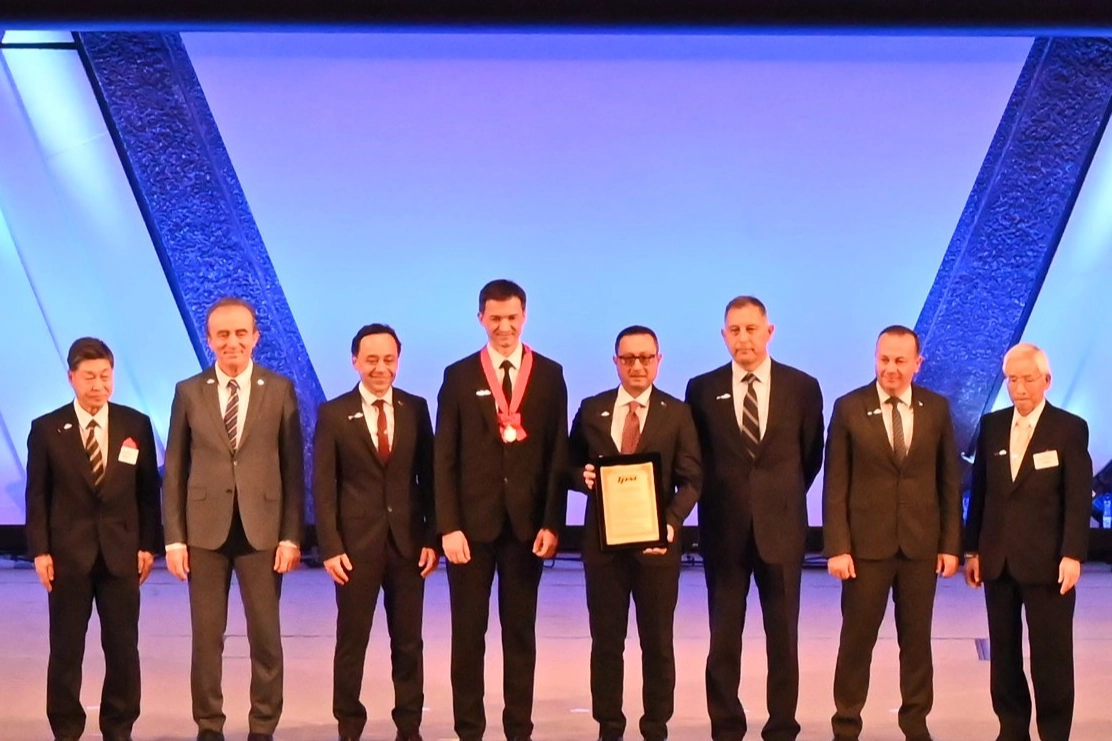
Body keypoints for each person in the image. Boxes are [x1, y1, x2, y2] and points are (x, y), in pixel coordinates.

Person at [163, 297, 304, 741]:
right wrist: (174, 539)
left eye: (241, 333)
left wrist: (291, 536)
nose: (232, 342)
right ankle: (209, 725)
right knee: (207, 639)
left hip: (263, 531)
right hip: (204, 533)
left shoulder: (279, 389)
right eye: (222, 334)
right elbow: (175, 467)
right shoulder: (189, 391)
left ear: (255, 337)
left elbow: (292, 469)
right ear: (209, 339)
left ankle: (263, 726)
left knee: (266, 638)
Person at [435, 279, 568, 741]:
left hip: (526, 529)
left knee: (520, 636)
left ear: (524, 316)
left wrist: (553, 522)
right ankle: (469, 730)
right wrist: (448, 526)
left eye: (512, 318)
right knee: (468, 637)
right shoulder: (459, 375)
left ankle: (518, 730)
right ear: (481, 319)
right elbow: (444, 456)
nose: (504, 327)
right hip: (470, 531)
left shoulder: (549, 374)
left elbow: (556, 455)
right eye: (495, 318)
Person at [685, 296, 823, 741]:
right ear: (723, 335)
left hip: (781, 531)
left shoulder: (802, 387)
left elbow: (810, 457)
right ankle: (726, 725)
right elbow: (696, 458)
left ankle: (782, 726)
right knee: (723, 638)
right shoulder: (701, 389)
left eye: (751, 328)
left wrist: (776, 498)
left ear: (769, 331)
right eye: (734, 330)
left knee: (783, 638)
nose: (743, 338)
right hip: (723, 532)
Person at [822, 325, 961, 741]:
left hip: (920, 547)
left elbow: (949, 481)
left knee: (916, 643)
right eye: (884, 359)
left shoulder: (936, 409)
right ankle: (846, 725)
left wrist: (950, 545)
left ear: (918, 364)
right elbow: (835, 484)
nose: (891, 369)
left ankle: (915, 724)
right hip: (865, 550)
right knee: (856, 642)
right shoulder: (849, 407)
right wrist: (837, 547)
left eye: (900, 361)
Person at [569, 325, 702, 741]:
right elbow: (566, 465)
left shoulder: (677, 413)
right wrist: (580, 476)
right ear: (616, 362)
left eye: (646, 357)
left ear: (659, 361)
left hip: (656, 546)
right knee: (606, 642)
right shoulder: (592, 409)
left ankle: (655, 725)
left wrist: (671, 523)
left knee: (657, 642)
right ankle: (609, 725)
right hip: (603, 548)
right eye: (628, 358)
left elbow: (692, 479)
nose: (637, 366)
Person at [25, 337, 161, 741]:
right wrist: (40, 551)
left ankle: (119, 726)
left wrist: (147, 545)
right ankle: (66, 728)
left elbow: (147, 492)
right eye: (89, 377)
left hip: (122, 554)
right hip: (68, 556)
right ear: (71, 378)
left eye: (105, 376)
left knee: (123, 648)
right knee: (66, 649)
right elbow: (37, 495)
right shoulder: (47, 429)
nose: (98, 385)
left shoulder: (135, 424)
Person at [314, 323, 437, 741]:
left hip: (408, 545)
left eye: (388, 359)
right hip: (354, 549)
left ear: (398, 361)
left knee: (409, 643)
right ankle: (349, 725)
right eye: (371, 360)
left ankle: (409, 726)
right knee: (352, 642)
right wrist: (330, 546)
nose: (380, 368)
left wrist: (431, 538)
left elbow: (429, 478)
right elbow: (324, 486)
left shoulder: (416, 408)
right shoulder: (333, 413)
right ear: (355, 362)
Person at [964, 342, 1091, 741]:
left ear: (1046, 380)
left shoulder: (1069, 428)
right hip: (997, 560)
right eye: (1012, 379)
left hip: (1049, 563)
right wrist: (972, 549)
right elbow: (980, 492)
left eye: (1028, 379)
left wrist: (1073, 553)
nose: (1019, 388)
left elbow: (1076, 497)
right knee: (1003, 655)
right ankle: (1012, 728)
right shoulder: (992, 426)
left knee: (1051, 657)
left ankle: (1054, 732)